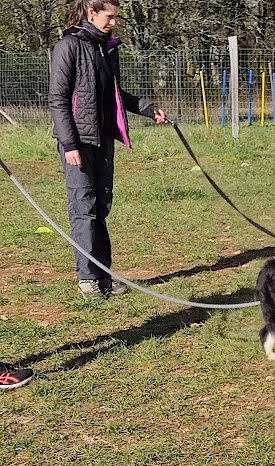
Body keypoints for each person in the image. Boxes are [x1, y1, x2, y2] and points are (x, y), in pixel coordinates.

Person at [49, 0, 168, 300]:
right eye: (109, 17)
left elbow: (114, 93)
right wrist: (69, 145)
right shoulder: (68, 46)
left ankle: (103, 275)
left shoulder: (107, 48)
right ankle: (87, 279)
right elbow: (58, 100)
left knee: (101, 207)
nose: (113, 22)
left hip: (103, 140)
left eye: (116, 17)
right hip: (78, 143)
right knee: (83, 208)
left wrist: (147, 108)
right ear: (91, 14)